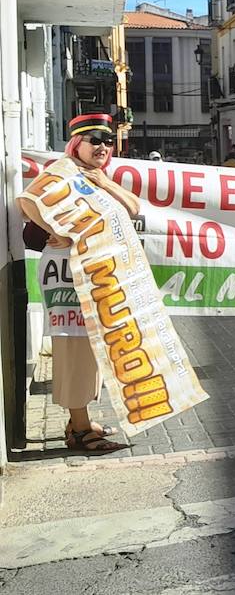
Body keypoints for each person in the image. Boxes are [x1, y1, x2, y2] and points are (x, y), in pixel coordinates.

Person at [17, 114, 134, 452]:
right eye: (94, 139)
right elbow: (26, 201)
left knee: (92, 348)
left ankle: (79, 422)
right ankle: (82, 431)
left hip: (95, 272)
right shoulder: (62, 170)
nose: (103, 146)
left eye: (108, 139)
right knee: (74, 346)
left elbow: (136, 208)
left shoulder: (95, 176)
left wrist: (105, 182)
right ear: (76, 143)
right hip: (66, 274)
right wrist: (56, 231)